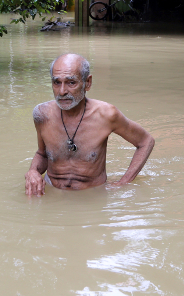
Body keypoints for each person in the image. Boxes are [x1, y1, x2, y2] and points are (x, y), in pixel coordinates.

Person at [25, 53, 155, 196]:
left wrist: (123, 183)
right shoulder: (42, 114)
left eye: (71, 82)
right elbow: (42, 154)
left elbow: (145, 141)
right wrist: (33, 171)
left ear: (87, 83)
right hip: (52, 192)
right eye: (57, 82)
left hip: (92, 196)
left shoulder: (106, 115)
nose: (62, 91)